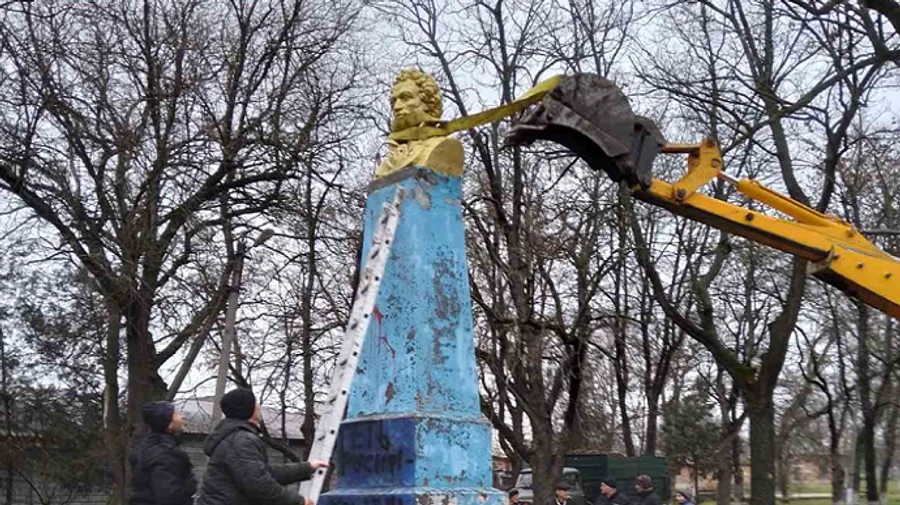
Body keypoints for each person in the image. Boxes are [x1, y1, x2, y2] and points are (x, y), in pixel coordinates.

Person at [197, 388, 329, 505]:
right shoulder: (241, 441)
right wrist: (299, 502)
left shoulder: (236, 438)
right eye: (254, 403)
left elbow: (267, 474)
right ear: (247, 409)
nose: (258, 406)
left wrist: (307, 468)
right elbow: (259, 485)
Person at [129, 401, 197, 505]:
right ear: (167, 424)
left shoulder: (144, 447)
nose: (183, 417)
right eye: (176, 414)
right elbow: (169, 497)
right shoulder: (166, 454)